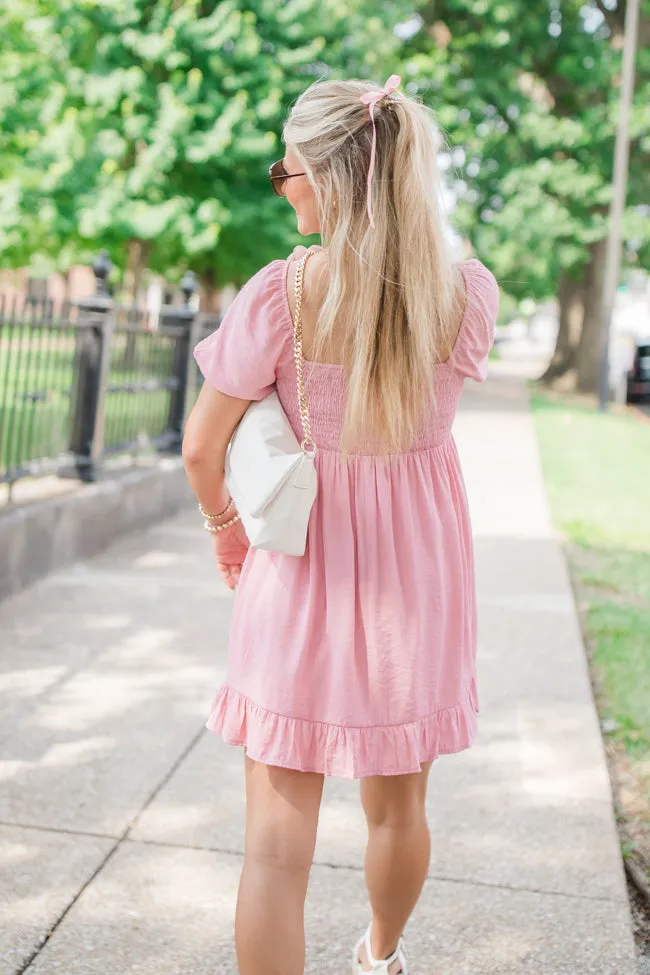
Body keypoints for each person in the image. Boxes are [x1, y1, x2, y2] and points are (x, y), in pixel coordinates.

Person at [182, 74, 499, 975]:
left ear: (328, 174)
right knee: (399, 811)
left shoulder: (279, 295)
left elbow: (203, 447)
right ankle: (380, 956)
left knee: (275, 853)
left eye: (288, 169)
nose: (281, 185)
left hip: (301, 577)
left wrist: (225, 531)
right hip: (418, 586)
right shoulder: (466, 294)